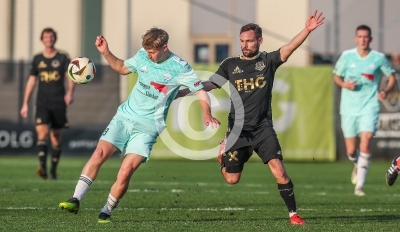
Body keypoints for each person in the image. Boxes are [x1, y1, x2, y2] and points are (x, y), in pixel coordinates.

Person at [177, 10, 324, 225]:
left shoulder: (268, 61)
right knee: (231, 180)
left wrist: (307, 30)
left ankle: (293, 214)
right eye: (242, 41)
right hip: (238, 130)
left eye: (249, 41)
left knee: (280, 172)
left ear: (259, 41)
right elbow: (209, 85)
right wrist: (184, 92)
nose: (245, 45)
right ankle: (222, 158)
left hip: (263, 128)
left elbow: (290, 47)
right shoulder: (230, 64)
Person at [59, 27, 220, 223]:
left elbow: (200, 91)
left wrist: (206, 113)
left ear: (164, 47)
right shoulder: (143, 55)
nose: (149, 56)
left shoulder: (180, 67)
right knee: (99, 154)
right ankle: (75, 199)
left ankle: (107, 210)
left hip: (149, 127)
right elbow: (121, 68)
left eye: (152, 52)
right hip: (125, 117)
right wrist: (106, 53)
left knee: (125, 171)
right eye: (147, 51)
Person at [333, 25, 396, 196]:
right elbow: (336, 76)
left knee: (366, 139)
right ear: (355, 38)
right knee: (351, 151)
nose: (363, 39)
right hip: (349, 108)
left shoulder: (378, 58)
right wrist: (344, 84)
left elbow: (391, 77)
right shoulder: (347, 57)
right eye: (360, 36)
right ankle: (356, 163)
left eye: (366, 37)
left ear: (370, 39)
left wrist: (385, 91)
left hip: (370, 105)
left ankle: (359, 186)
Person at [20, 27, 75, 180]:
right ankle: (43, 167)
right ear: (42, 39)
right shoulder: (38, 59)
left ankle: (53, 171)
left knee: (56, 137)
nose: (49, 39)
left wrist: (70, 92)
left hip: (58, 102)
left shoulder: (63, 57)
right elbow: (31, 81)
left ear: (54, 39)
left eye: (51, 36)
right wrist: (25, 103)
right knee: (42, 133)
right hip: (42, 102)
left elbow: (70, 76)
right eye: (46, 37)